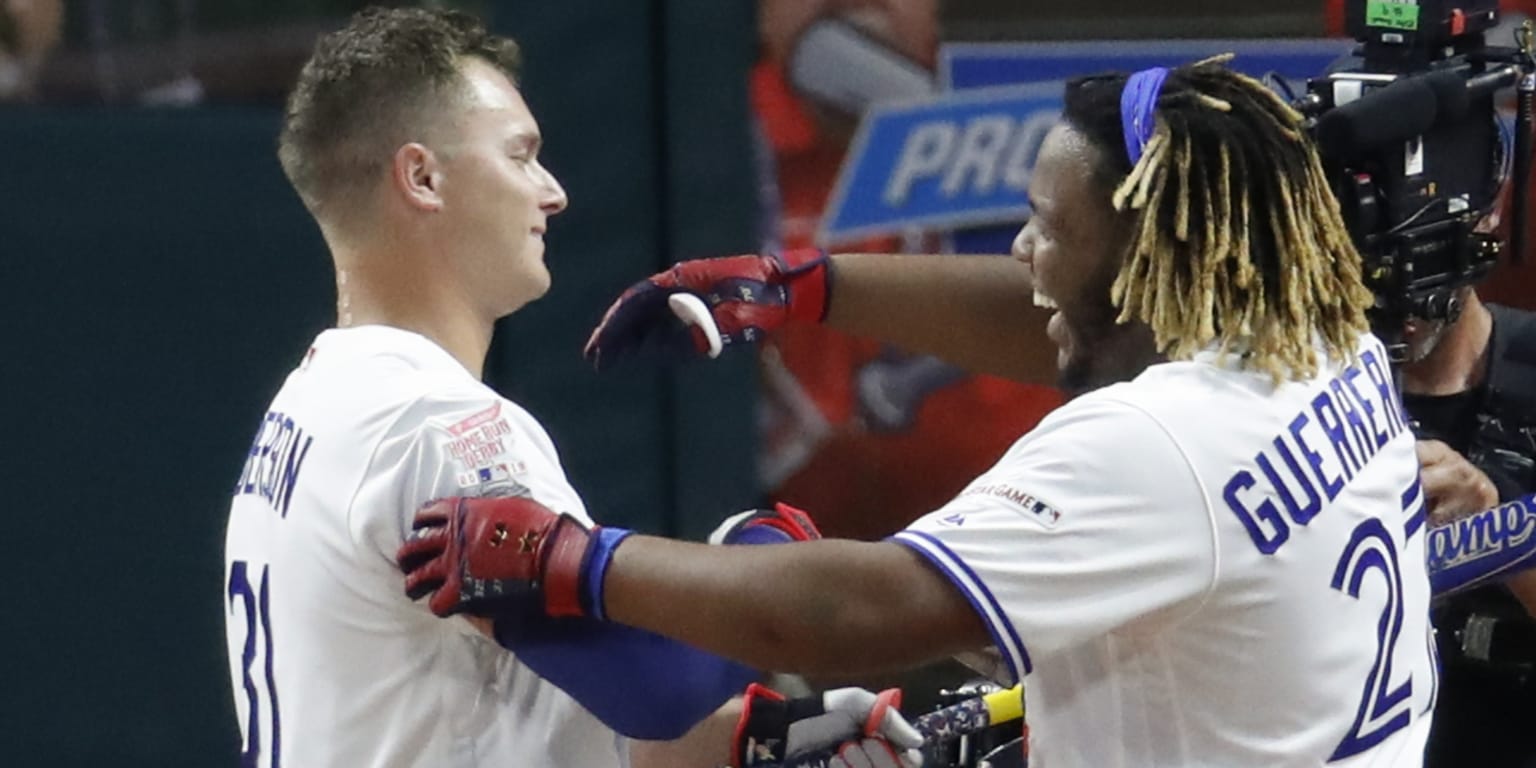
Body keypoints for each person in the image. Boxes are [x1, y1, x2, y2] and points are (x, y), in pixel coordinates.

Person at [402, 57, 1438, 765]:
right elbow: (1067, 320)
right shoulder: (1320, 330)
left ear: (1141, 260)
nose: (1022, 253)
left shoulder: (1158, 444)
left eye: (1044, 227)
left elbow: (867, 610)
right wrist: (807, 286)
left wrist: (577, 559)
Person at [222, 7, 918, 767]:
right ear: (422, 177)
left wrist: (751, 740)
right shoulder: (438, 424)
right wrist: (762, 555)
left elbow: (520, 719)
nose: (552, 192)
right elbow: (655, 690)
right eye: (521, 156)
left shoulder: (308, 407)